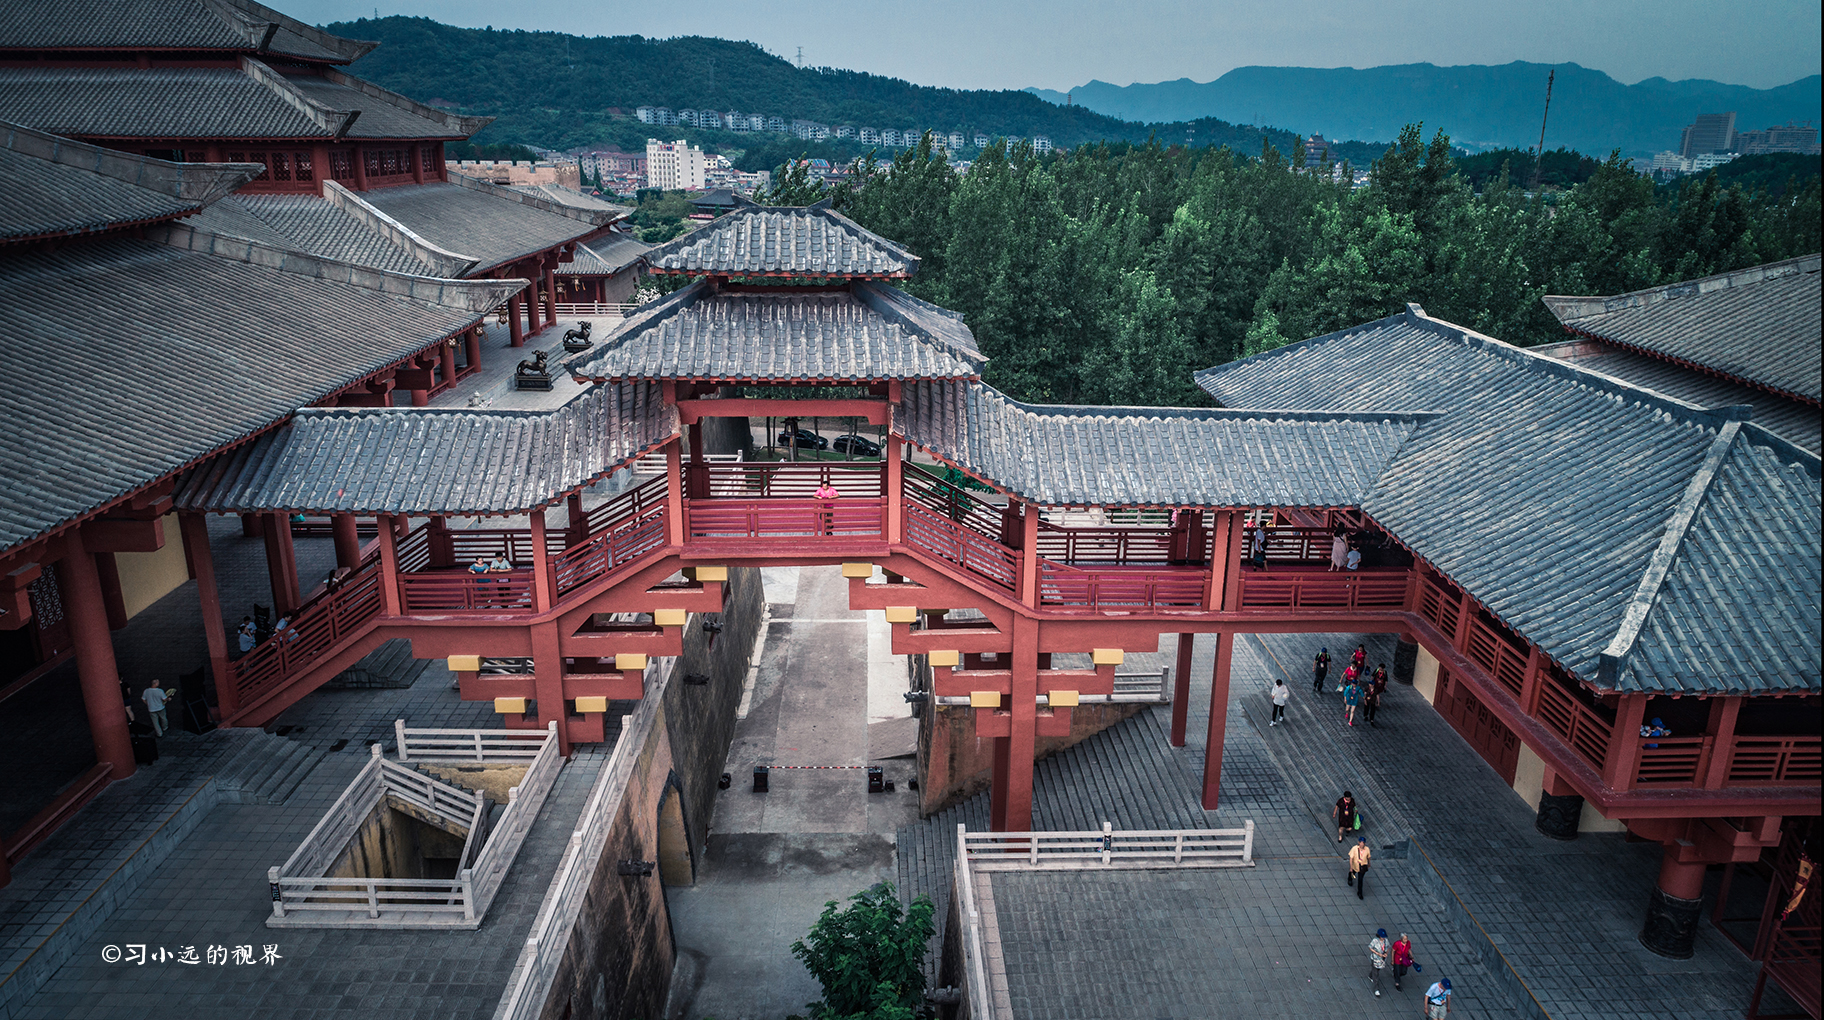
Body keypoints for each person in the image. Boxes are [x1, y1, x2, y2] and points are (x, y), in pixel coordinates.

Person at [1368, 928, 1390, 997]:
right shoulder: (1375, 941)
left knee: (1377, 970)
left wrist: (1386, 953)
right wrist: (1377, 953)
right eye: (1382, 937)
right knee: (1376, 974)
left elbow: (1388, 947)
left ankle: (1370, 975)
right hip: (1375, 959)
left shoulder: (1386, 941)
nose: (1383, 938)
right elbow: (1370, 947)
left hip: (1382, 959)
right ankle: (1376, 989)